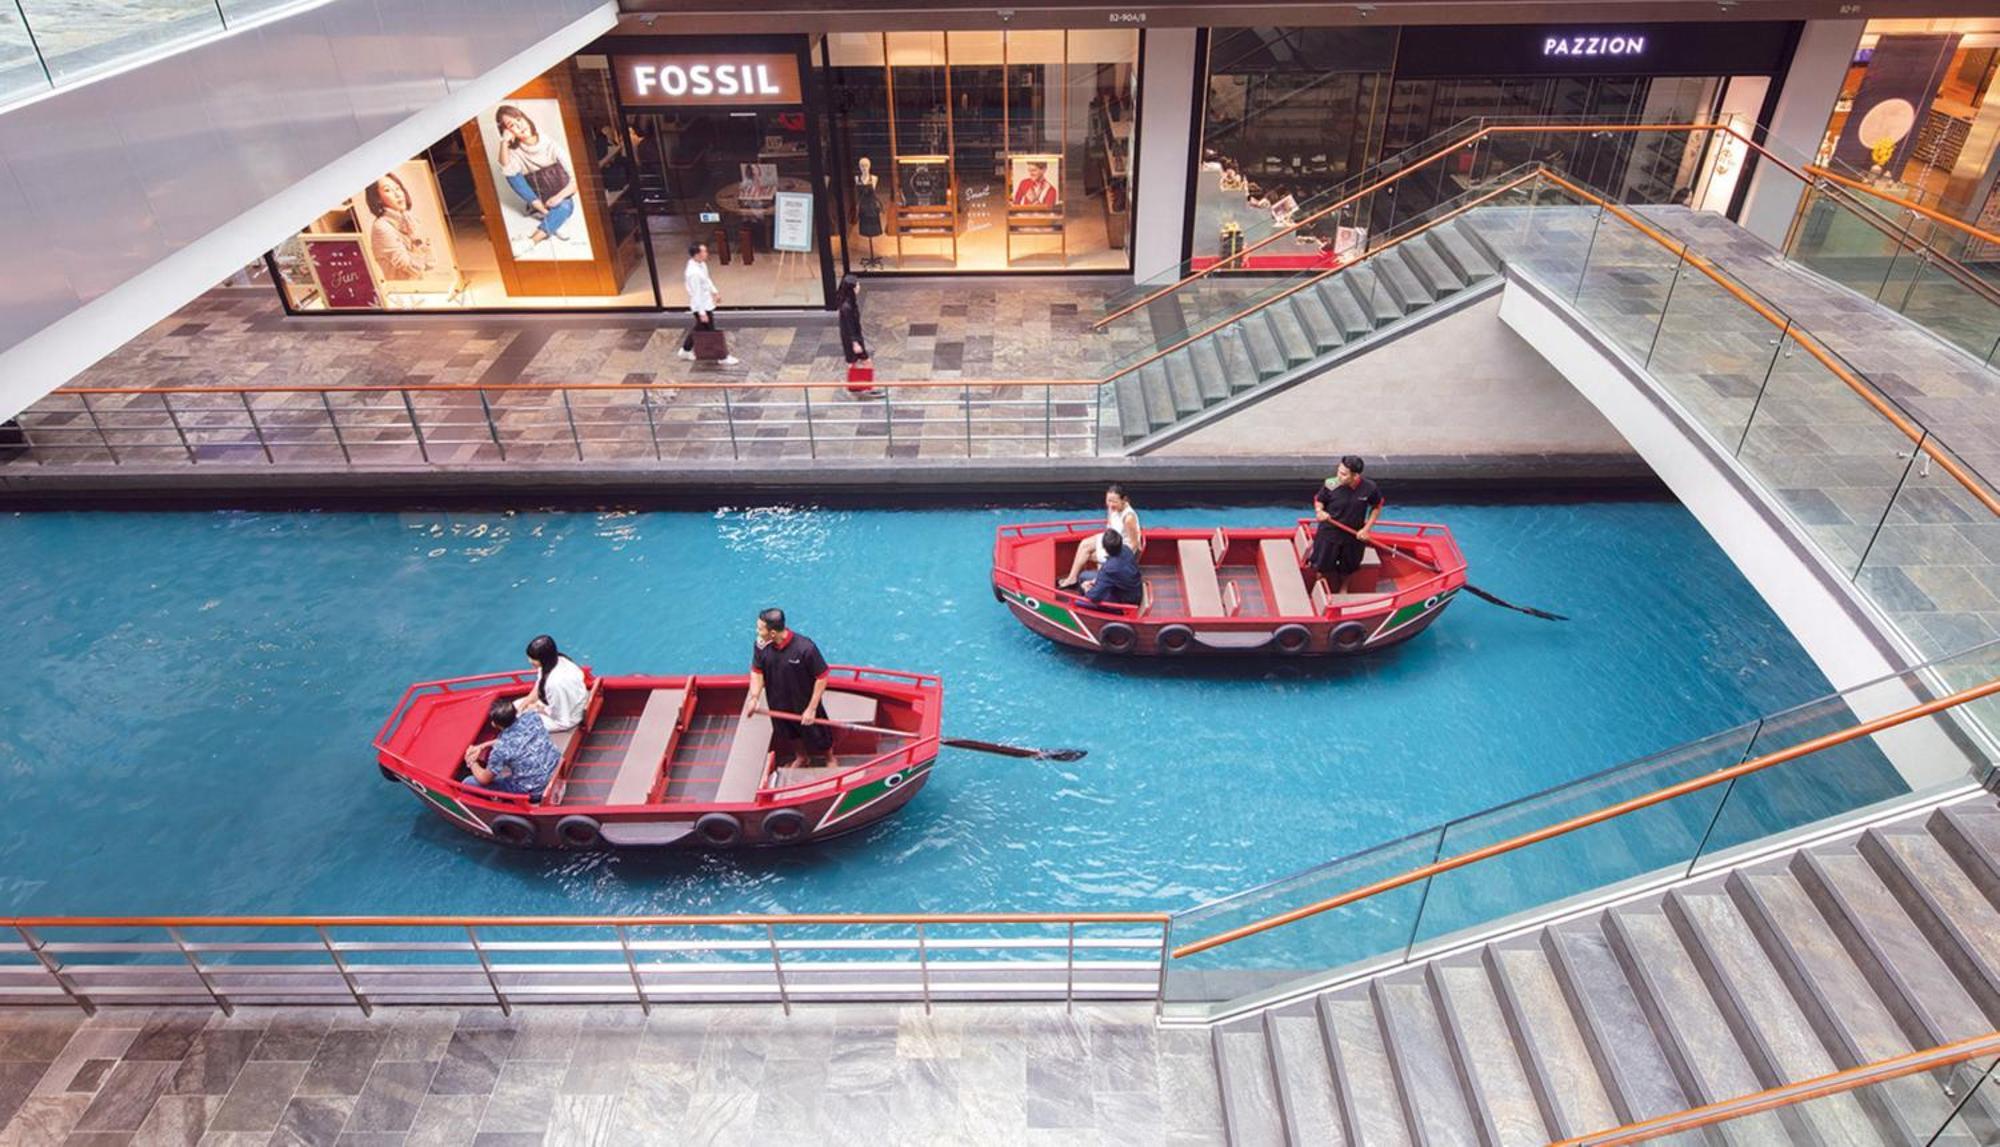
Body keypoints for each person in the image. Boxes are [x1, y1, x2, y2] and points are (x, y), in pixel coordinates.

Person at [742, 608, 835, 769]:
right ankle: (802, 757)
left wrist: (812, 708)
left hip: (803, 702)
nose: (757, 631)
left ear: (772, 633)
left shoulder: (805, 647)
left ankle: (829, 758)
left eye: (760, 628)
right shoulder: (760, 646)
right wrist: (754, 697)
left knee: (819, 733)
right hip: (778, 701)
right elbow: (757, 672)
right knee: (789, 732)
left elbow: (822, 676)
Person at [493, 105, 577, 249]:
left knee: (565, 207)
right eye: (512, 125)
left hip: (559, 196)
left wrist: (558, 197)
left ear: (526, 119)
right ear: (508, 131)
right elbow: (505, 166)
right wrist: (504, 142)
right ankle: (547, 215)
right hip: (537, 199)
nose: (519, 125)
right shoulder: (515, 151)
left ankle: (532, 240)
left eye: (519, 119)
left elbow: (576, 180)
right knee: (510, 173)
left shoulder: (549, 144)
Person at [1308, 455, 1384, 593]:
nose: (1338, 476)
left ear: (1355, 476)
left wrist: (1366, 529)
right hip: (1329, 532)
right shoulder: (1331, 484)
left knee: (1349, 566)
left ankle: (1344, 588)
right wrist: (1319, 511)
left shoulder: (1370, 488)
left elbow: (1377, 506)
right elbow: (1319, 500)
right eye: (1338, 471)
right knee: (1321, 564)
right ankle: (1319, 588)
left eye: (1343, 474)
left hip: (1353, 535)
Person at [463, 697, 561, 797]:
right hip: (556, 770)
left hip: (534, 790)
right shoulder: (532, 717)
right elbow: (516, 740)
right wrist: (482, 746)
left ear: (494, 724)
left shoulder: (501, 749)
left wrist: (472, 761)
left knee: (468, 782)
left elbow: (484, 779)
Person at [1058, 485, 1143, 590]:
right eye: (1108, 501)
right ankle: (1072, 578)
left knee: (1089, 555)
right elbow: (1110, 525)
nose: (1110, 505)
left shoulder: (1129, 518)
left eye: (1114, 501)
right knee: (1084, 544)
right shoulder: (1112, 508)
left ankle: (1099, 580)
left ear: (1124, 500)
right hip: (1111, 539)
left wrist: (1119, 560)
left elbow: (1134, 544)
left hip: (1120, 547)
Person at [363, 173, 435, 282]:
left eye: (398, 188)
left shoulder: (409, 219)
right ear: (378, 199)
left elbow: (430, 263)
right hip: (403, 291)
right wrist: (415, 240)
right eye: (388, 190)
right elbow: (412, 269)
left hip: (422, 284)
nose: (397, 194)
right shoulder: (381, 228)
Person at [679, 243, 740, 365]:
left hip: (706, 303)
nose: (707, 253)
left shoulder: (702, 265)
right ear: (697, 254)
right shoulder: (693, 273)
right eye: (704, 252)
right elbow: (696, 294)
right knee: (711, 331)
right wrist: (702, 313)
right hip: (701, 306)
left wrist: (715, 292)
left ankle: (685, 350)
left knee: (699, 328)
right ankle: (722, 357)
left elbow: (707, 280)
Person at [515, 635, 588, 733]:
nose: (530, 661)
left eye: (533, 659)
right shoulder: (560, 660)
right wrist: (525, 703)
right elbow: (539, 686)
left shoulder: (554, 684)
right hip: (571, 702)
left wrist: (538, 709)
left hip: (567, 718)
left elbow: (559, 715)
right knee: (515, 706)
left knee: (518, 721)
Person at [836, 275, 884, 399]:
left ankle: (853, 384)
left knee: (852, 362)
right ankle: (869, 387)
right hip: (853, 339)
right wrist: (855, 343)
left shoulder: (847, 301)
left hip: (850, 338)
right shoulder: (847, 307)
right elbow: (850, 325)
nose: (859, 287)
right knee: (866, 361)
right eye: (857, 285)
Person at [1081, 529, 1143, 607]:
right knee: (1084, 575)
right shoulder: (1126, 549)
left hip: (1126, 602)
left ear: (1105, 549)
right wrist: (1096, 581)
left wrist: (1086, 589)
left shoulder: (1109, 569)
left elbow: (1094, 596)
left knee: (1079, 602)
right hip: (1134, 590)